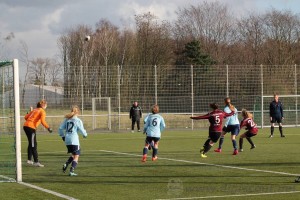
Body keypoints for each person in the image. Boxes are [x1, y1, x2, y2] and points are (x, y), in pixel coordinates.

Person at [59, 105, 87, 176]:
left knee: (74, 154)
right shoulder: (77, 120)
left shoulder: (67, 119)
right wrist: (85, 135)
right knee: (77, 156)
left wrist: (62, 136)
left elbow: (60, 128)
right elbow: (81, 129)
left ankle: (66, 164)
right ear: (78, 112)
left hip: (67, 139)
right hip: (74, 139)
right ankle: (71, 171)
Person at [23, 99, 52, 167]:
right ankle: (36, 161)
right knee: (34, 144)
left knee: (31, 143)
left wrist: (30, 114)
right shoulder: (42, 111)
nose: (46, 106)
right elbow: (42, 121)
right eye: (46, 104)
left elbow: (26, 117)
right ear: (43, 105)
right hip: (31, 127)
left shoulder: (35, 110)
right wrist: (48, 127)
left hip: (26, 126)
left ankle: (29, 160)